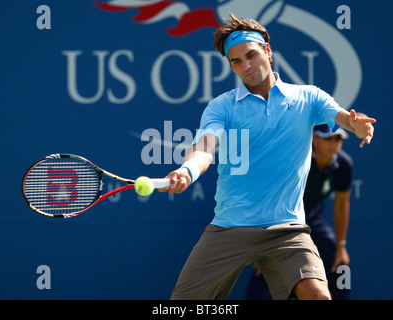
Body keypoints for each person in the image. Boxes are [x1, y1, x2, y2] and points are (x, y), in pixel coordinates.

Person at [159, 14, 376, 300]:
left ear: (268, 52)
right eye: (236, 61)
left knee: (319, 296)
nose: (246, 66)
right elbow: (204, 147)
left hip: (286, 230)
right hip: (230, 227)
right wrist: (187, 170)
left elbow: (341, 118)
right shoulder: (222, 107)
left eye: (251, 55)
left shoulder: (308, 97)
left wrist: (356, 125)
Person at [246, 124, 352, 300]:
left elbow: (341, 204)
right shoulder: (294, 159)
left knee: (339, 261)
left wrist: (341, 246)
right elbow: (268, 197)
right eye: (327, 138)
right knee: (264, 266)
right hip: (281, 219)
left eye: (338, 139)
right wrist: (263, 241)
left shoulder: (344, 165)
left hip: (313, 218)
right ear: (313, 139)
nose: (333, 143)